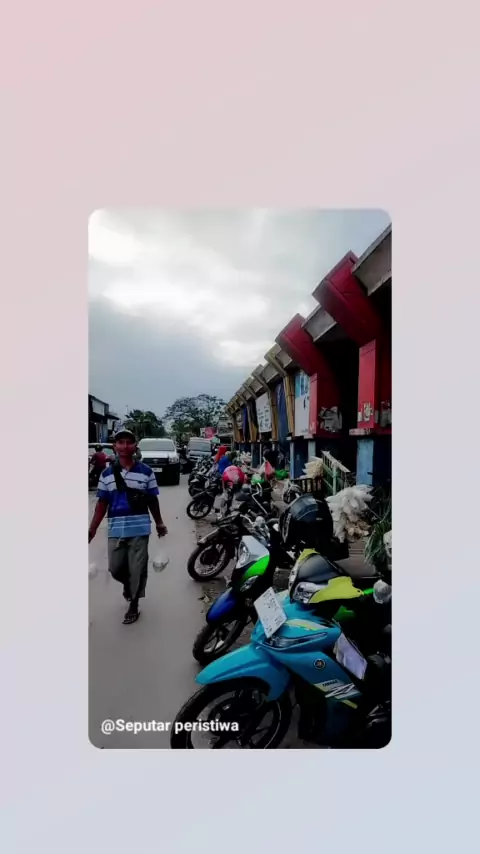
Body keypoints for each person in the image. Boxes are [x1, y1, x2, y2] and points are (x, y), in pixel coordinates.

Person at [88, 429, 168, 625]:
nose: (125, 446)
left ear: (135, 446)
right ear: (115, 446)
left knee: (138, 569)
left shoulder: (146, 472)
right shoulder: (106, 474)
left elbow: (152, 500)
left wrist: (159, 522)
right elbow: (102, 504)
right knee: (115, 569)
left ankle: (134, 603)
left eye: (129, 442)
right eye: (120, 442)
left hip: (140, 529)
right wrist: (92, 529)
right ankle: (128, 586)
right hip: (115, 529)